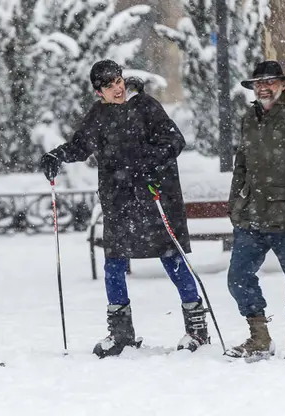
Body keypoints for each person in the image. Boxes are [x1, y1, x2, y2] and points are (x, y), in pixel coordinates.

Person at [40, 60, 210, 358]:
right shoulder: (99, 116)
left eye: (118, 81)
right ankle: (121, 334)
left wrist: (149, 166)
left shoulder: (145, 106)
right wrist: (57, 155)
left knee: (172, 260)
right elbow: (81, 146)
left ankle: (197, 328)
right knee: (114, 264)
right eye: (109, 85)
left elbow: (174, 141)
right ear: (98, 93)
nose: (117, 88)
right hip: (119, 202)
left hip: (154, 196)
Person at [225, 60, 285, 362]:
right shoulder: (249, 117)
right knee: (238, 277)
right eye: (258, 83)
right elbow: (241, 162)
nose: (263, 87)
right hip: (253, 215)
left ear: (283, 84)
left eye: (270, 82)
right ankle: (259, 336)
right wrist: (236, 203)